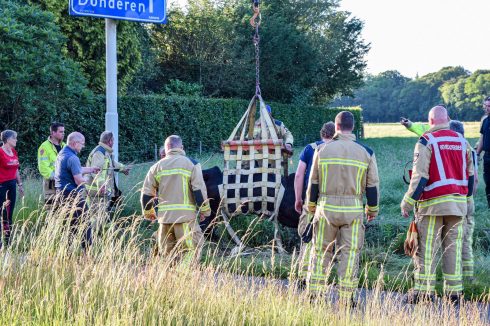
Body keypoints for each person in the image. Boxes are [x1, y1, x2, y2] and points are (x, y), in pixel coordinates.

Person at [401, 106, 474, 303]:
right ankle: (454, 294)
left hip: (432, 206)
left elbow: (420, 176)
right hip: (458, 206)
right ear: (448, 119)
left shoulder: (426, 140)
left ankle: (424, 294)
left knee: (426, 250)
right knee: (452, 249)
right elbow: (471, 176)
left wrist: (407, 202)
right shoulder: (463, 141)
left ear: (430, 121)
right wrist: (466, 201)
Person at [305, 111, 379, 303]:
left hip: (326, 208)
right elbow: (372, 186)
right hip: (353, 210)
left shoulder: (322, 150)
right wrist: (372, 210)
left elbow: (313, 183)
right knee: (350, 253)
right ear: (352, 127)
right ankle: (347, 298)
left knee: (321, 251)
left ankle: (314, 294)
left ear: (336, 127)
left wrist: (312, 207)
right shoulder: (367, 152)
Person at [141, 135, 211, 264]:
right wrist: (205, 211)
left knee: (168, 258)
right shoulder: (192, 164)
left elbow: (146, 195)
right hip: (185, 221)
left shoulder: (156, 167)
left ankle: (171, 281)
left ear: (166, 148)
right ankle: (185, 278)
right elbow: (199, 191)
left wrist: (148, 213)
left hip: (164, 222)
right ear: (182, 147)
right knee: (190, 253)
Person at [294, 122, 335, 282]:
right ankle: (320, 277)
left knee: (307, 237)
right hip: (330, 203)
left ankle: (303, 277)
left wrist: (298, 199)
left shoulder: (310, 149)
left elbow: (298, 175)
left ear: (321, 134)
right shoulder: (338, 150)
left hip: (310, 201)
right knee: (326, 242)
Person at [55, 132, 99, 249]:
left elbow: (76, 169)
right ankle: (87, 252)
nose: (83, 146)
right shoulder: (73, 158)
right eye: (82, 144)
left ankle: (67, 252)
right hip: (72, 194)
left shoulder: (62, 153)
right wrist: (89, 182)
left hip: (61, 194)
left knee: (70, 223)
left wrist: (91, 169)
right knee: (85, 222)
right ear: (74, 143)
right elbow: (79, 179)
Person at [449, 120, 478, 280]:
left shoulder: (451, 147)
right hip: (468, 198)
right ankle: (468, 276)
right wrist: (469, 197)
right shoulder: (470, 149)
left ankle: (454, 275)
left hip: (454, 198)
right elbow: (475, 179)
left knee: (452, 238)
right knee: (466, 238)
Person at [85, 131, 130, 223]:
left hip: (100, 190)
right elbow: (96, 171)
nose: (113, 143)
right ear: (109, 141)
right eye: (113, 140)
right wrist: (102, 185)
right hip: (96, 191)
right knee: (96, 217)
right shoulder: (99, 153)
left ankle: (102, 232)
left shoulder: (104, 151)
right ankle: (94, 234)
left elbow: (112, 164)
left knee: (102, 215)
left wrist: (123, 168)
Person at [0, 130, 24, 247]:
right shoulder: (0, 152)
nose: (16, 140)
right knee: (1, 213)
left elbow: (16, 169)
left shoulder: (13, 151)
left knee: (9, 214)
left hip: (12, 185)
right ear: (8, 139)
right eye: (15, 138)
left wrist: (20, 185)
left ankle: (8, 243)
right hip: (1, 186)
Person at [38, 122, 65, 207]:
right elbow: (43, 168)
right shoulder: (44, 147)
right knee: (52, 210)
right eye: (60, 132)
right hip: (51, 184)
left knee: (64, 209)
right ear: (53, 133)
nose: (63, 134)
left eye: (63, 132)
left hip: (63, 182)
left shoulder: (64, 146)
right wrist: (56, 177)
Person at [476, 96, 490, 208]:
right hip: (487, 156)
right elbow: (482, 138)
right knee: (488, 182)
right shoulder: (485, 121)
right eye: (485, 106)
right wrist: (477, 154)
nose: (487, 108)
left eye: (489, 106)